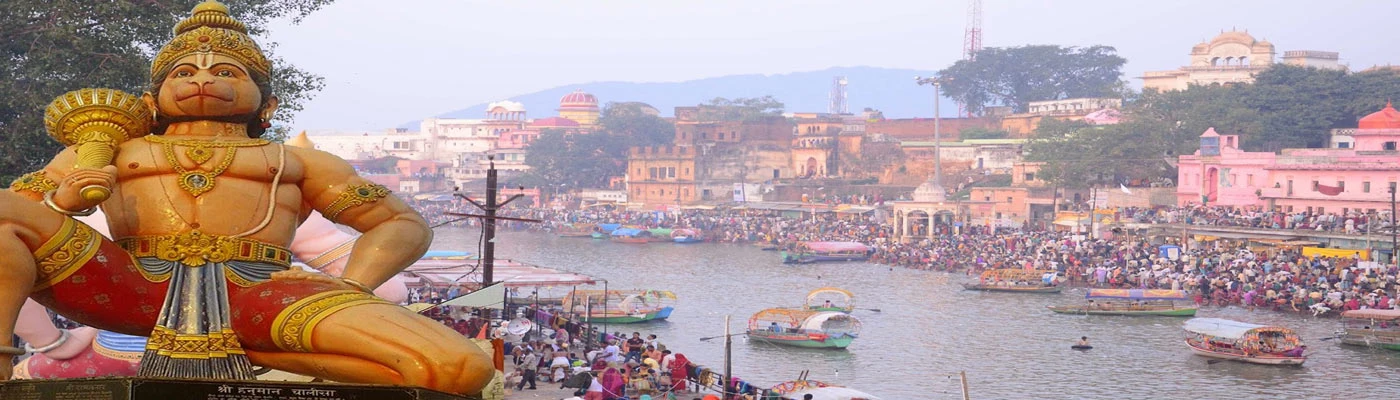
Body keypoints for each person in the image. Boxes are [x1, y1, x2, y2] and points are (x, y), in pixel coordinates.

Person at [0, 1, 493, 393]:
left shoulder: (300, 162)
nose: (202, 80)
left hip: (259, 292)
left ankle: (246, 349)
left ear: (268, 103)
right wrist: (63, 203)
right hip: (131, 283)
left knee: (460, 369)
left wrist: (352, 285)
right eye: (183, 72)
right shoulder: (108, 150)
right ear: (153, 100)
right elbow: (18, 213)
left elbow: (401, 224)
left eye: (227, 72)